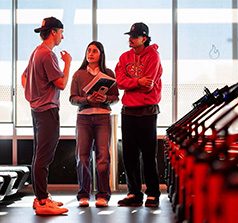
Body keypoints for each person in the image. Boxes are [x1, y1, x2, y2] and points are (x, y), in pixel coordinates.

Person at [21, 16, 72, 215]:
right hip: (47, 111)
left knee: (39, 155)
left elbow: (25, 77)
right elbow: (61, 83)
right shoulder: (48, 55)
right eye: (61, 32)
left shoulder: (36, 52)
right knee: (44, 157)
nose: (62, 36)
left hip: (37, 110)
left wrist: (33, 96)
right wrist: (67, 63)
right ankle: (42, 201)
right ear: (54, 32)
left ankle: (40, 197)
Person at [115, 22, 163, 208]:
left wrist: (130, 82)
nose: (131, 39)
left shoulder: (153, 55)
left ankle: (153, 193)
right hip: (128, 111)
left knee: (149, 155)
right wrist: (137, 81)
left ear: (144, 38)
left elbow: (148, 84)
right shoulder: (124, 57)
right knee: (129, 155)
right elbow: (119, 81)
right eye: (130, 36)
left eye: (134, 36)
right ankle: (134, 193)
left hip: (147, 111)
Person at [69, 41, 119, 208]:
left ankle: (103, 195)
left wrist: (105, 99)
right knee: (82, 157)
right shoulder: (78, 74)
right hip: (83, 119)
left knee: (103, 157)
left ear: (101, 54)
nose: (90, 54)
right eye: (88, 50)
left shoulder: (109, 73)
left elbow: (116, 97)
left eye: (94, 51)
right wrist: (87, 100)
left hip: (103, 119)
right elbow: (72, 99)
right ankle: (83, 194)